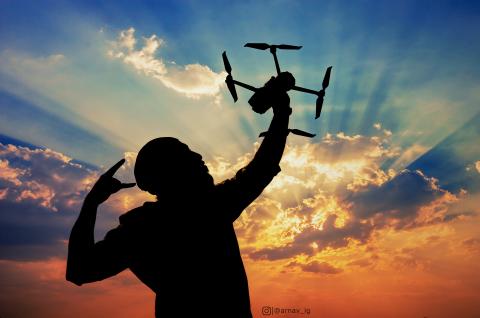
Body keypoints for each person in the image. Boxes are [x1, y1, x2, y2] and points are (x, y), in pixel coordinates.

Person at [66, 91, 292, 318]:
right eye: (185, 154)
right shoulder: (207, 208)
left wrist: (92, 203)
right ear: (170, 172)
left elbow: (79, 270)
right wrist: (282, 113)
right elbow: (262, 167)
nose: (198, 156)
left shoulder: (140, 228)